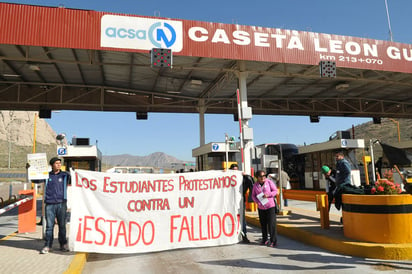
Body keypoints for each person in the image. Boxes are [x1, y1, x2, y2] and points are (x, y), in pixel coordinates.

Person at [40, 157, 71, 254]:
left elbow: (76, 179)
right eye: (56, 163)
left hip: (61, 203)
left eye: (59, 163)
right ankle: (48, 245)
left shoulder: (65, 175)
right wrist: (29, 169)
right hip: (49, 204)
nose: (58, 165)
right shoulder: (46, 175)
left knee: (62, 225)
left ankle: (63, 244)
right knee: (49, 226)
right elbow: (35, 180)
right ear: (52, 165)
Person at [251, 170, 278, 247]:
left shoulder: (269, 182)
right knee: (263, 224)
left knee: (271, 224)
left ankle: (273, 241)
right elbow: (253, 195)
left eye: (264, 176)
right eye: (260, 176)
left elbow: (275, 191)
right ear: (257, 178)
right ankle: (264, 239)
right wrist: (257, 202)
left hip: (270, 206)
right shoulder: (255, 185)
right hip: (261, 207)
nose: (263, 178)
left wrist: (268, 195)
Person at [229, 163, 253, 243]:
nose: (235, 172)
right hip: (229, 201)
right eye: (233, 171)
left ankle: (244, 235)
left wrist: (246, 176)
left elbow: (252, 182)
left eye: (236, 170)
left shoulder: (243, 178)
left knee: (242, 218)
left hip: (240, 201)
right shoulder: (227, 178)